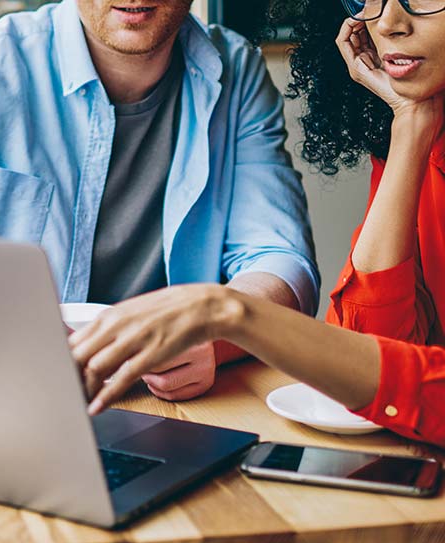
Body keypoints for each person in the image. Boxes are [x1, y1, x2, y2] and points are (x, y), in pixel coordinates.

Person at [0, 1, 319, 401]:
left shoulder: (237, 70)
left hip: (175, 406)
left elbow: (281, 261)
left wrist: (214, 337)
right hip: (0, 391)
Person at [70, 0, 445, 448]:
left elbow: (377, 382)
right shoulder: (418, 135)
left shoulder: (233, 67)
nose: (387, 23)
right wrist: (410, 127)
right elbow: (371, 375)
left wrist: (229, 316)